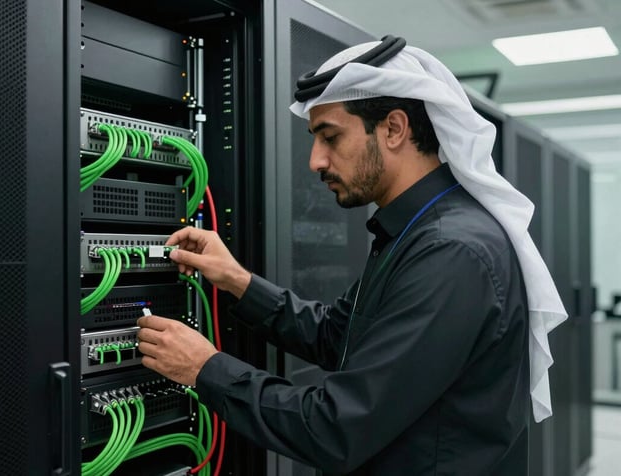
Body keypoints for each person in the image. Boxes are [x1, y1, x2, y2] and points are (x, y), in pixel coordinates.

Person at [136, 36, 567, 475]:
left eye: (330, 137)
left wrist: (205, 368)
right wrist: (237, 281)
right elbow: (338, 336)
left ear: (394, 129)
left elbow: (336, 427)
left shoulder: (450, 251)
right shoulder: (417, 231)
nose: (315, 161)